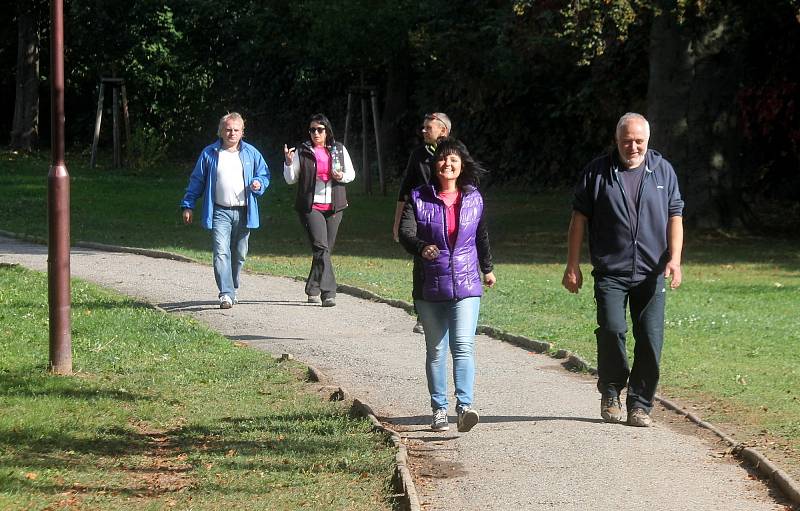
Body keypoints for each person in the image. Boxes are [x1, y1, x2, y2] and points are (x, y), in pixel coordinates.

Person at [562, 112, 684, 427]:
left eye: (639, 141)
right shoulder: (597, 173)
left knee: (650, 339)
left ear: (648, 141)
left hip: (651, 271)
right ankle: (612, 390)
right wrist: (572, 264)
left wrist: (675, 259)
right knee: (612, 330)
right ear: (617, 140)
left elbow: (675, 216)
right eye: (627, 141)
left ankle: (640, 405)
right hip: (610, 271)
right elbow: (578, 220)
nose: (633, 147)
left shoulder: (663, 171)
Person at [399, 137, 496, 433]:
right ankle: (439, 409)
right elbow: (405, 232)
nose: (447, 164)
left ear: (462, 165)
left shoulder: (474, 198)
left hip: (466, 283)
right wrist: (420, 246)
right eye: (442, 159)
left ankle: (464, 407)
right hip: (430, 285)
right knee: (437, 350)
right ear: (435, 165)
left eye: (453, 159)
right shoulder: (419, 197)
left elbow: (481, 235)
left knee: (463, 345)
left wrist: (488, 269)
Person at [180, 112, 271, 309]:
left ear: (242, 132)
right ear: (221, 131)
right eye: (228, 129)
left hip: (244, 211)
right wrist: (188, 205)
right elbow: (197, 181)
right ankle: (226, 294)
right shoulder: (209, 153)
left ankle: (233, 287)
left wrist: (258, 184)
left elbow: (264, 175)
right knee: (221, 252)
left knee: (239, 254)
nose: (232, 133)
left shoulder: (251, 153)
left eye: (236, 130)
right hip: (219, 211)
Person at [283, 113, 356, 307]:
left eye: (320, 129)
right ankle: (329, 292)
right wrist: (289, 163)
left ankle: (313, 287)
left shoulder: (338, 149)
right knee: (321, 246)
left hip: (334, 206)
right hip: (310, 206)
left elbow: (351, 174)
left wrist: (340, 176)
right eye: (312, 130)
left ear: (327, 131)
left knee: (324, 250)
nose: (316, 133)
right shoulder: (303, 151)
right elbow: (291, 179)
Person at [392, 112, 452, 334]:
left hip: (447, 214)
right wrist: (397, 222)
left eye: (429, 127)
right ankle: (422, 315)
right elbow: (405, 189)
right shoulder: (418, 155)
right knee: (421, 261)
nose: (424, 131)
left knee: (446, 261)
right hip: (421, 215)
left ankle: (448, 310)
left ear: (443, 130)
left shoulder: (454, 154)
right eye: (423, 127)